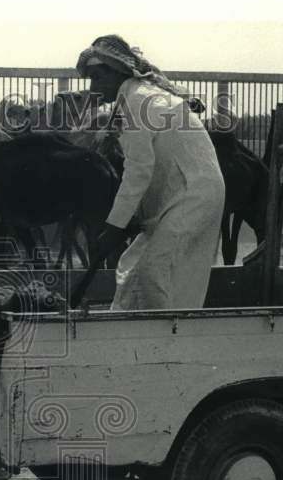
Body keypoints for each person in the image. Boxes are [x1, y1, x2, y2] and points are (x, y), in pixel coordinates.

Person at [77, 35, 225, 310]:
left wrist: (113, 228)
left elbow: (138, 170)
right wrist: (126, 221)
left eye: (97, 78)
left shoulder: (139, 102)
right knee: (132, 271)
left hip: (195, 193)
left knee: (155, 271)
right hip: (177, 193)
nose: (93, 87)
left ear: (117, 74)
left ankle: (166, 339)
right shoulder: (133, 99)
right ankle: (128, 335)